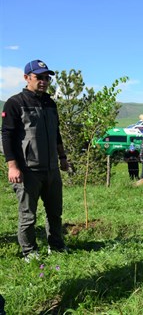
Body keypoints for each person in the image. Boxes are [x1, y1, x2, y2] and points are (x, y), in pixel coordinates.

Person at [1, 59, 70, 262]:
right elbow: (6, 135)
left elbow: (56, 134)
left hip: (51, 168)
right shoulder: (15, 103)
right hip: (27, 170)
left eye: (46, 78)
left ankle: (56, 246)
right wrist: (12, 166)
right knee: (28, 215)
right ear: (26, 78)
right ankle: (29, 252)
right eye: (39, 77)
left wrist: (63, 158)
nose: (44, 81)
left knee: (55, 212)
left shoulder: (50, 103)